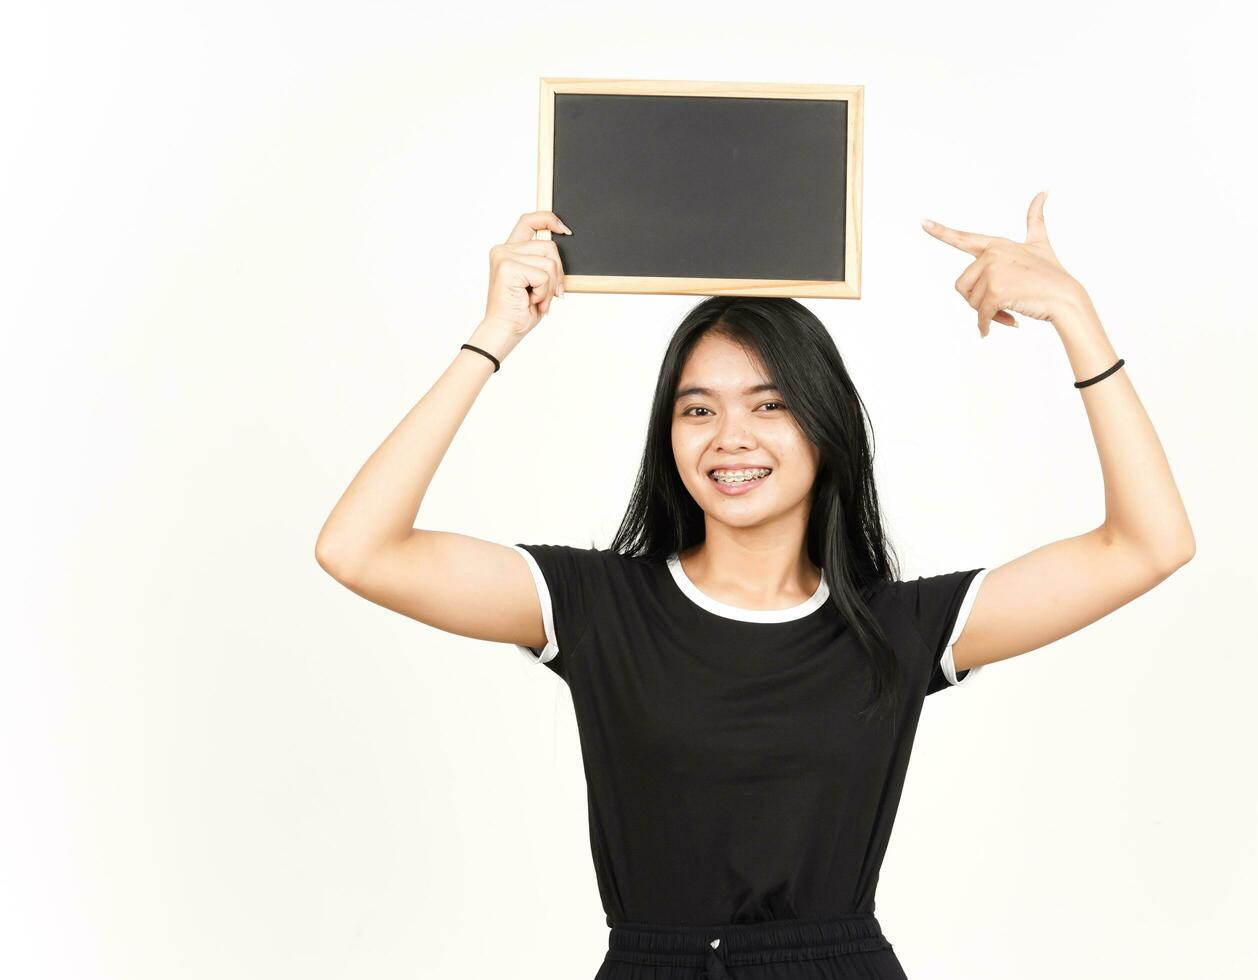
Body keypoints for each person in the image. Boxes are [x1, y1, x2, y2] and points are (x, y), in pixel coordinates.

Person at [315, 197, 1195, 979]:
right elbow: (359, 549)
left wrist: (1076, 316)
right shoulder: (596, 606)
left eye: (769, 404)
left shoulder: (899, 628)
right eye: (698, 409)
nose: (731, 436)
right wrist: (493, 335)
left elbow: (1148, 543)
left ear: (826, 428)